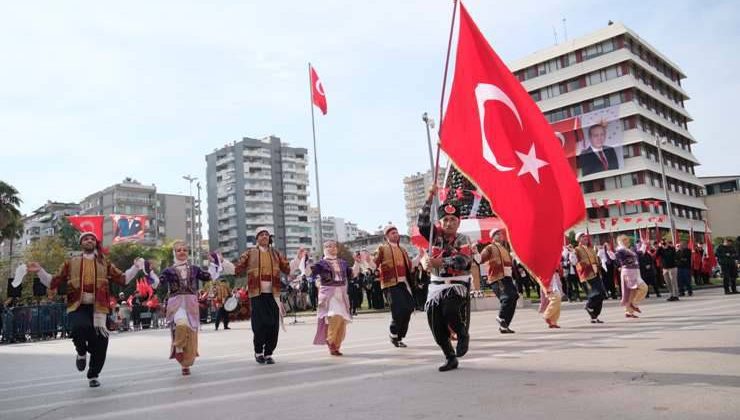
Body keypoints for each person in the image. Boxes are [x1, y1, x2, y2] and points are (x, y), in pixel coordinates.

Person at [25, 231, 141, 387]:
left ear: (95, 243)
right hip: (78, 305)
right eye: (86, 238)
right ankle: (81, 351)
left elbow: (123, 279)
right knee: (80, 327)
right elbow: (52, 282)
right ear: (81, 243)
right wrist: (40, 270)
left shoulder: (104, 262)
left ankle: (93, 374)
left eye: (92, 238)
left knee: (101, 342)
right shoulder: (71, 262)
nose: (89, 240)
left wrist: (135, 267)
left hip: (99, 307)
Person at [418, 188, 475, 372]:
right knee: (434, 321)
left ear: (458, 223)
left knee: (450, 309)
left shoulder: (463, 238)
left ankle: (462, 334)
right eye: (445, 220)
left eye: (453, 220)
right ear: (440, 222)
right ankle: (450, 356)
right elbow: (422, 223)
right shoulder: (434, 236)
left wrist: (438, 261)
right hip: (436, 285)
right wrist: (429, 197)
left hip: (456, 284)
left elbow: (463, 260)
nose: (449, 223)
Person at [157, 242, 221, 375]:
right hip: (176, 303)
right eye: (179, 250)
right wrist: (149, 272)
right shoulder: (168, 271)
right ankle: (179, 347)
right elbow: (159, 282)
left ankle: (186, 364)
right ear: (174, 253)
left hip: (191, 303)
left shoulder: (194, 269)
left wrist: (213, 263)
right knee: (181, 324)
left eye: (185, 250)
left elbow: (208, 277)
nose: (182, 252)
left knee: (191, 333)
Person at [234, 227, 291, 365]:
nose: (264, 236)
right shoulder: (250, 253)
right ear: (257, 238)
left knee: (273, 325)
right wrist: (222, 263)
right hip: (256, 294)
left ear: (269, 238)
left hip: (273, 293)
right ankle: (258, 352)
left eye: (266, 234)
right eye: (261, 235)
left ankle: (268, 353)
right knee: (259, 325)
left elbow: (287, 269)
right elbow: (237, 269)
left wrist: (301, 260)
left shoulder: (276, 253)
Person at [304, 241, 353, 355]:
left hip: (341, 294)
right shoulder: (321, 264)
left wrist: (359, 263)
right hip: (328, 294)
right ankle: (330, 341)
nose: (333, 248)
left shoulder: (343, 263)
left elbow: (352, 274)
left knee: (342, 321)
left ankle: (336, 346)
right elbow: (308, 273)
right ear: (325, 248)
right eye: (329, 246)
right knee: (334, 316)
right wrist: (305, 260)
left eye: (334, 246)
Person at [374, 224, 416, 348]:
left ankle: (399, 336)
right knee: (399, 310)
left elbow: (410, 265)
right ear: (387, 236)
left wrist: (421, 256)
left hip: (403, 283)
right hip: (390, 284)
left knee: (408, 308)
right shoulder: (382, 248)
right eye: (393, 233)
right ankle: (394, 333)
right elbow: (374, 264)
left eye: (397, 232)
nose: (396, 234)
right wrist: (366, 261)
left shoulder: (403, 249)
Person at [479, 228, 518, 334]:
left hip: (507, 276)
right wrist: (474, 253)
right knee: (507, 297)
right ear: (493, 237)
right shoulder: (490, 247)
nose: (501, 235)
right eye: (497, 234)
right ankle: (501, 317)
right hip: (497, 277)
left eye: (501, 233)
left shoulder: (505, 248)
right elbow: (480, 259)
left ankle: (504, 325)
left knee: (514, 296)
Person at [573, 232, 607, 323]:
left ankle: (594, 316)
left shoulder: (591, 249)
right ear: (578, 239)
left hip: (596, 273)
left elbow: (596, 260)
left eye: (585, 237)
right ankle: (589, 306)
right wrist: (571, 254)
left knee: (602, 295)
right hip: (586, 275)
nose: (585, 238)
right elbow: (573, 261)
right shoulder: (577, 249)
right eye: (583, 237)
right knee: (594, 294)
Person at [614, 235, 648, 318]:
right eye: (624, 240)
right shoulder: (621, 250)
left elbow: (640, 253)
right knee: (643, 288)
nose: (627, 242)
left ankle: (629, 311)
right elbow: (617, 257)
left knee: (632, 292)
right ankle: (633, 303)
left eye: (627, 240)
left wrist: (644, 244)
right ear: (620, 241)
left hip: (635, 272)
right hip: (629, 272)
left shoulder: (629, 250)